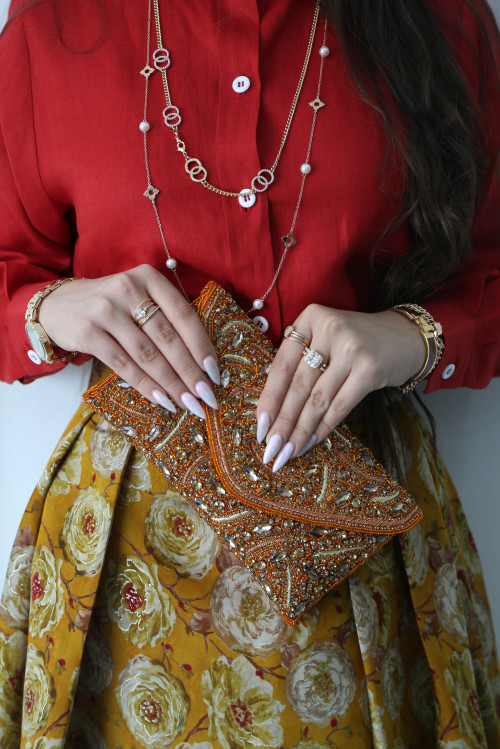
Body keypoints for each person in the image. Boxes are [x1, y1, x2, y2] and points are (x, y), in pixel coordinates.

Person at [0, 0, 499, 746]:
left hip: (357, 535)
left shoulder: (443, 20)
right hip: (118, 561)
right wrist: (52, 308)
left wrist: (411, 336)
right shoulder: (53, 26)